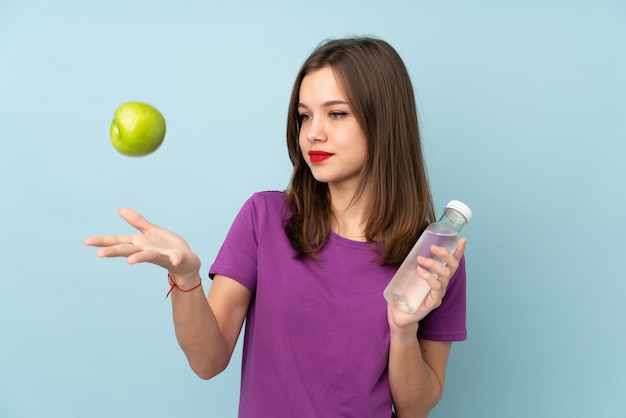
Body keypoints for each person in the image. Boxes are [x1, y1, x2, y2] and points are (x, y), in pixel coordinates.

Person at [84, 36, 467, 418]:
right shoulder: (264, 218)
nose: (313, 133)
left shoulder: (431, 255)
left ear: (384, 121)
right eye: (305, 116)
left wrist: (402, 329)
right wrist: (186, 278)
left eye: (336, 114)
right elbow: (207, 361)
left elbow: (415, 409)